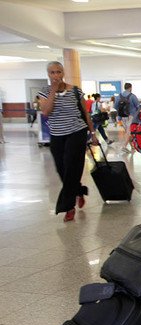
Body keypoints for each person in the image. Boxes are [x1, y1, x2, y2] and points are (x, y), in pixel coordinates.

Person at [37, 61, 100, 222]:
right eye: (52, 72)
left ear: (63, 72)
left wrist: (93, 134)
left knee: (72, 167)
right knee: (62, 169)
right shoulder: (44, 92)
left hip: (76, 132)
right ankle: (79, 190)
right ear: (48, 74)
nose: (56, 75)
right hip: (57, 135)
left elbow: (85, 113)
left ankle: (68, 207)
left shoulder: (75, 91)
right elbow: (46, 111)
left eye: (58, 72)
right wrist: (53, 90)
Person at [116, 83, 140, 152]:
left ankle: (132, 146)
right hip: (131, 116)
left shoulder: (119, 96)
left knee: (128, 131)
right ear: (130, 88)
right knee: (129, 132)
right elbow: (138, 106)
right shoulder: (132, 96)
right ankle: (124, 146)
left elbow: (116, 107)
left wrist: (119, 117)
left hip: (122, 116)